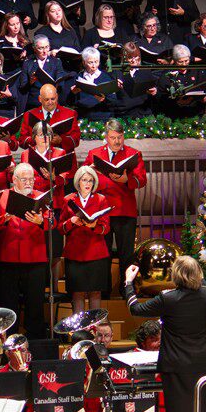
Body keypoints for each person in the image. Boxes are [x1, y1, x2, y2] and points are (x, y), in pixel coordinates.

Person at [124, 255, 206, 412]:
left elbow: (135, 309)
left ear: (176, 274)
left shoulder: (169, 299)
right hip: (202, 362)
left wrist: (129, 282)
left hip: (177, 365)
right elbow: (202, 281)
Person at [84, 119, 146, 296]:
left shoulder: (134, 154)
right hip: (102, 211)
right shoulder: (94, 154)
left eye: (120, 137)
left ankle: (126, 290)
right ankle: (103, 291)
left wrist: (127, 180)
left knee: (126, 253)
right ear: (106, 137)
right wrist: (90, 172)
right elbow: (84, 177)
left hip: (125, 210)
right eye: (113, 138)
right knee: (102, 253)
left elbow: (142, 179)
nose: (117, 141)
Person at [0, 164, 50, 339]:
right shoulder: (2, 196)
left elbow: (52, 221)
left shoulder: (41, 197)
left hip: (35, 258)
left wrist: (41, 221)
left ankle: (35, 341)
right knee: (8, 303)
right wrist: (5, 219)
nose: (28, 183)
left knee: (35, 303)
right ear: (14, 180)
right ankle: (10, 339)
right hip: (8, 258)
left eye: (31, 179)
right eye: (24, 179)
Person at [61, 166, 111, 313]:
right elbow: (60, 227)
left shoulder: (101, 199)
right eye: (84, 180)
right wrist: (71, 221)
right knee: (77, 293)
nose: (87, 183)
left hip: (96, 253)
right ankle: (79, 334)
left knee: (95, 292)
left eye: (90, 180)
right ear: (78, 182)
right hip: (75, 253)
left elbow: (106, 228)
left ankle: (96, 331)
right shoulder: (68, 199)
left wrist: (94, 225)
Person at [21, 83, 80, 153]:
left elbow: (76, 140)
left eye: (53, 99)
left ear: (57, 97)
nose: (50, 102)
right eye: (46, 99)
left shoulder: (70, 114)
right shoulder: (29, 115)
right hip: (38, 158)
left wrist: (61, 140)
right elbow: (22, 141)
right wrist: (36, 139)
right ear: (40, 99)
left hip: (63, 158)